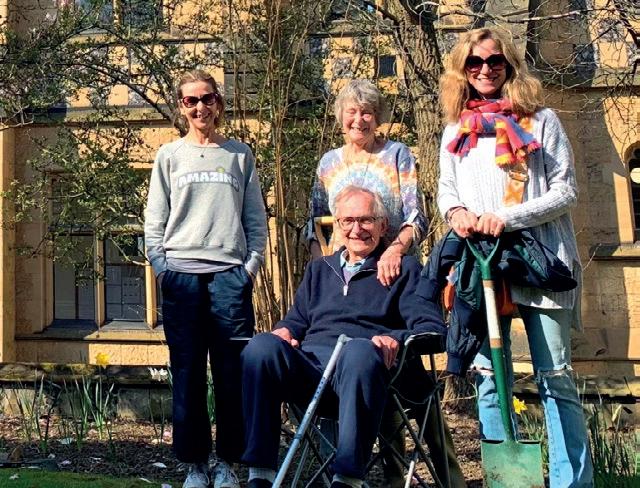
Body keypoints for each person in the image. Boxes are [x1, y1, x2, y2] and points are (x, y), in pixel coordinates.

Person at [438, 27, 593, 487]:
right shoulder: (456, 129)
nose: (485, 69)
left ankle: (571, 482)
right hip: (483, 264)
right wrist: (457, 212)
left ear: (509, 65)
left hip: (541, 262)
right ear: (463, 70)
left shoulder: (541, 121)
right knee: (489, 375)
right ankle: (508, 481)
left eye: (495, 61)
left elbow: (565, 190)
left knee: (556, 377)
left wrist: (506, 218)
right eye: (475, 62)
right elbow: (447, 190)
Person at [241, 186, 448, 488]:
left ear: (383, 226)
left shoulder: (404, 270)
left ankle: (347, 479)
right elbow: (297, 321)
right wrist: (285, 330)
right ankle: (260, 475)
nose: (356, 229)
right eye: (348, 221)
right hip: (313, 374)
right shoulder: (319, 270)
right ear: (337, 225)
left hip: (371, 374)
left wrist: (395, 338)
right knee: (261, 347)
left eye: (366, 220)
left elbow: (432, 329)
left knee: (358, 351)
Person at [144, 69, 267, 488]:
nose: (200, 107)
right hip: (181, 278)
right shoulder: (169, 156)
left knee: (232, 376)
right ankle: (195, 464)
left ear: (219, 103)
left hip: (230, 279)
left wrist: (249, 268)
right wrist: (163, 268)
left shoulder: (239, 155)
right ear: (181, 107)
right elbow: (154, 221)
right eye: (191, 100)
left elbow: (255, 219)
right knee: (188, 375)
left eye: (207, 98)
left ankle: (228, 463)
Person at [309, 79, 428, 286]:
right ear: (341, 116)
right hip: (343, 274)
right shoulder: (328, 162)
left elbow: (416, 218)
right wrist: (324, 267)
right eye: (351, 111)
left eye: (366, 112)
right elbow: (315, 224)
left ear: (377, 117)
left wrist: (394, 252)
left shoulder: (397, 154)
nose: (359, 120)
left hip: (392, 271)